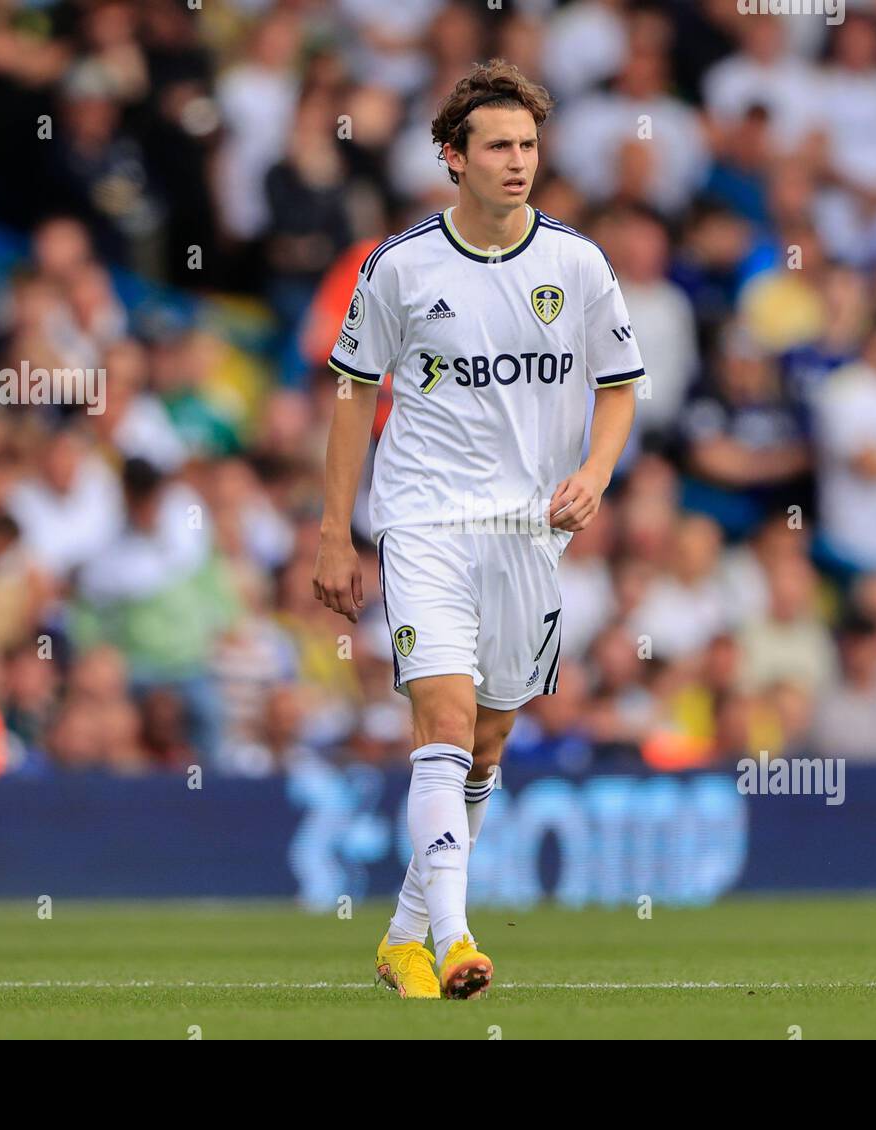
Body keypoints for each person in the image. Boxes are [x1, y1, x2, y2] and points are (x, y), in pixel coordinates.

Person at [313, 60, 642, 999]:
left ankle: (403, 936)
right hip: (422, 521)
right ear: (453, 158)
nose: (518, 161)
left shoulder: (577, 264)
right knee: (444, 722)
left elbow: (618, 388)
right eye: (497, 145)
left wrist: (595, 472)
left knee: (488, 746)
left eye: (529, 145)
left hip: (529, 532)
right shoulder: (401, 265)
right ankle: (457, 940)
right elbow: (351, 395)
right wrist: (335, 531)